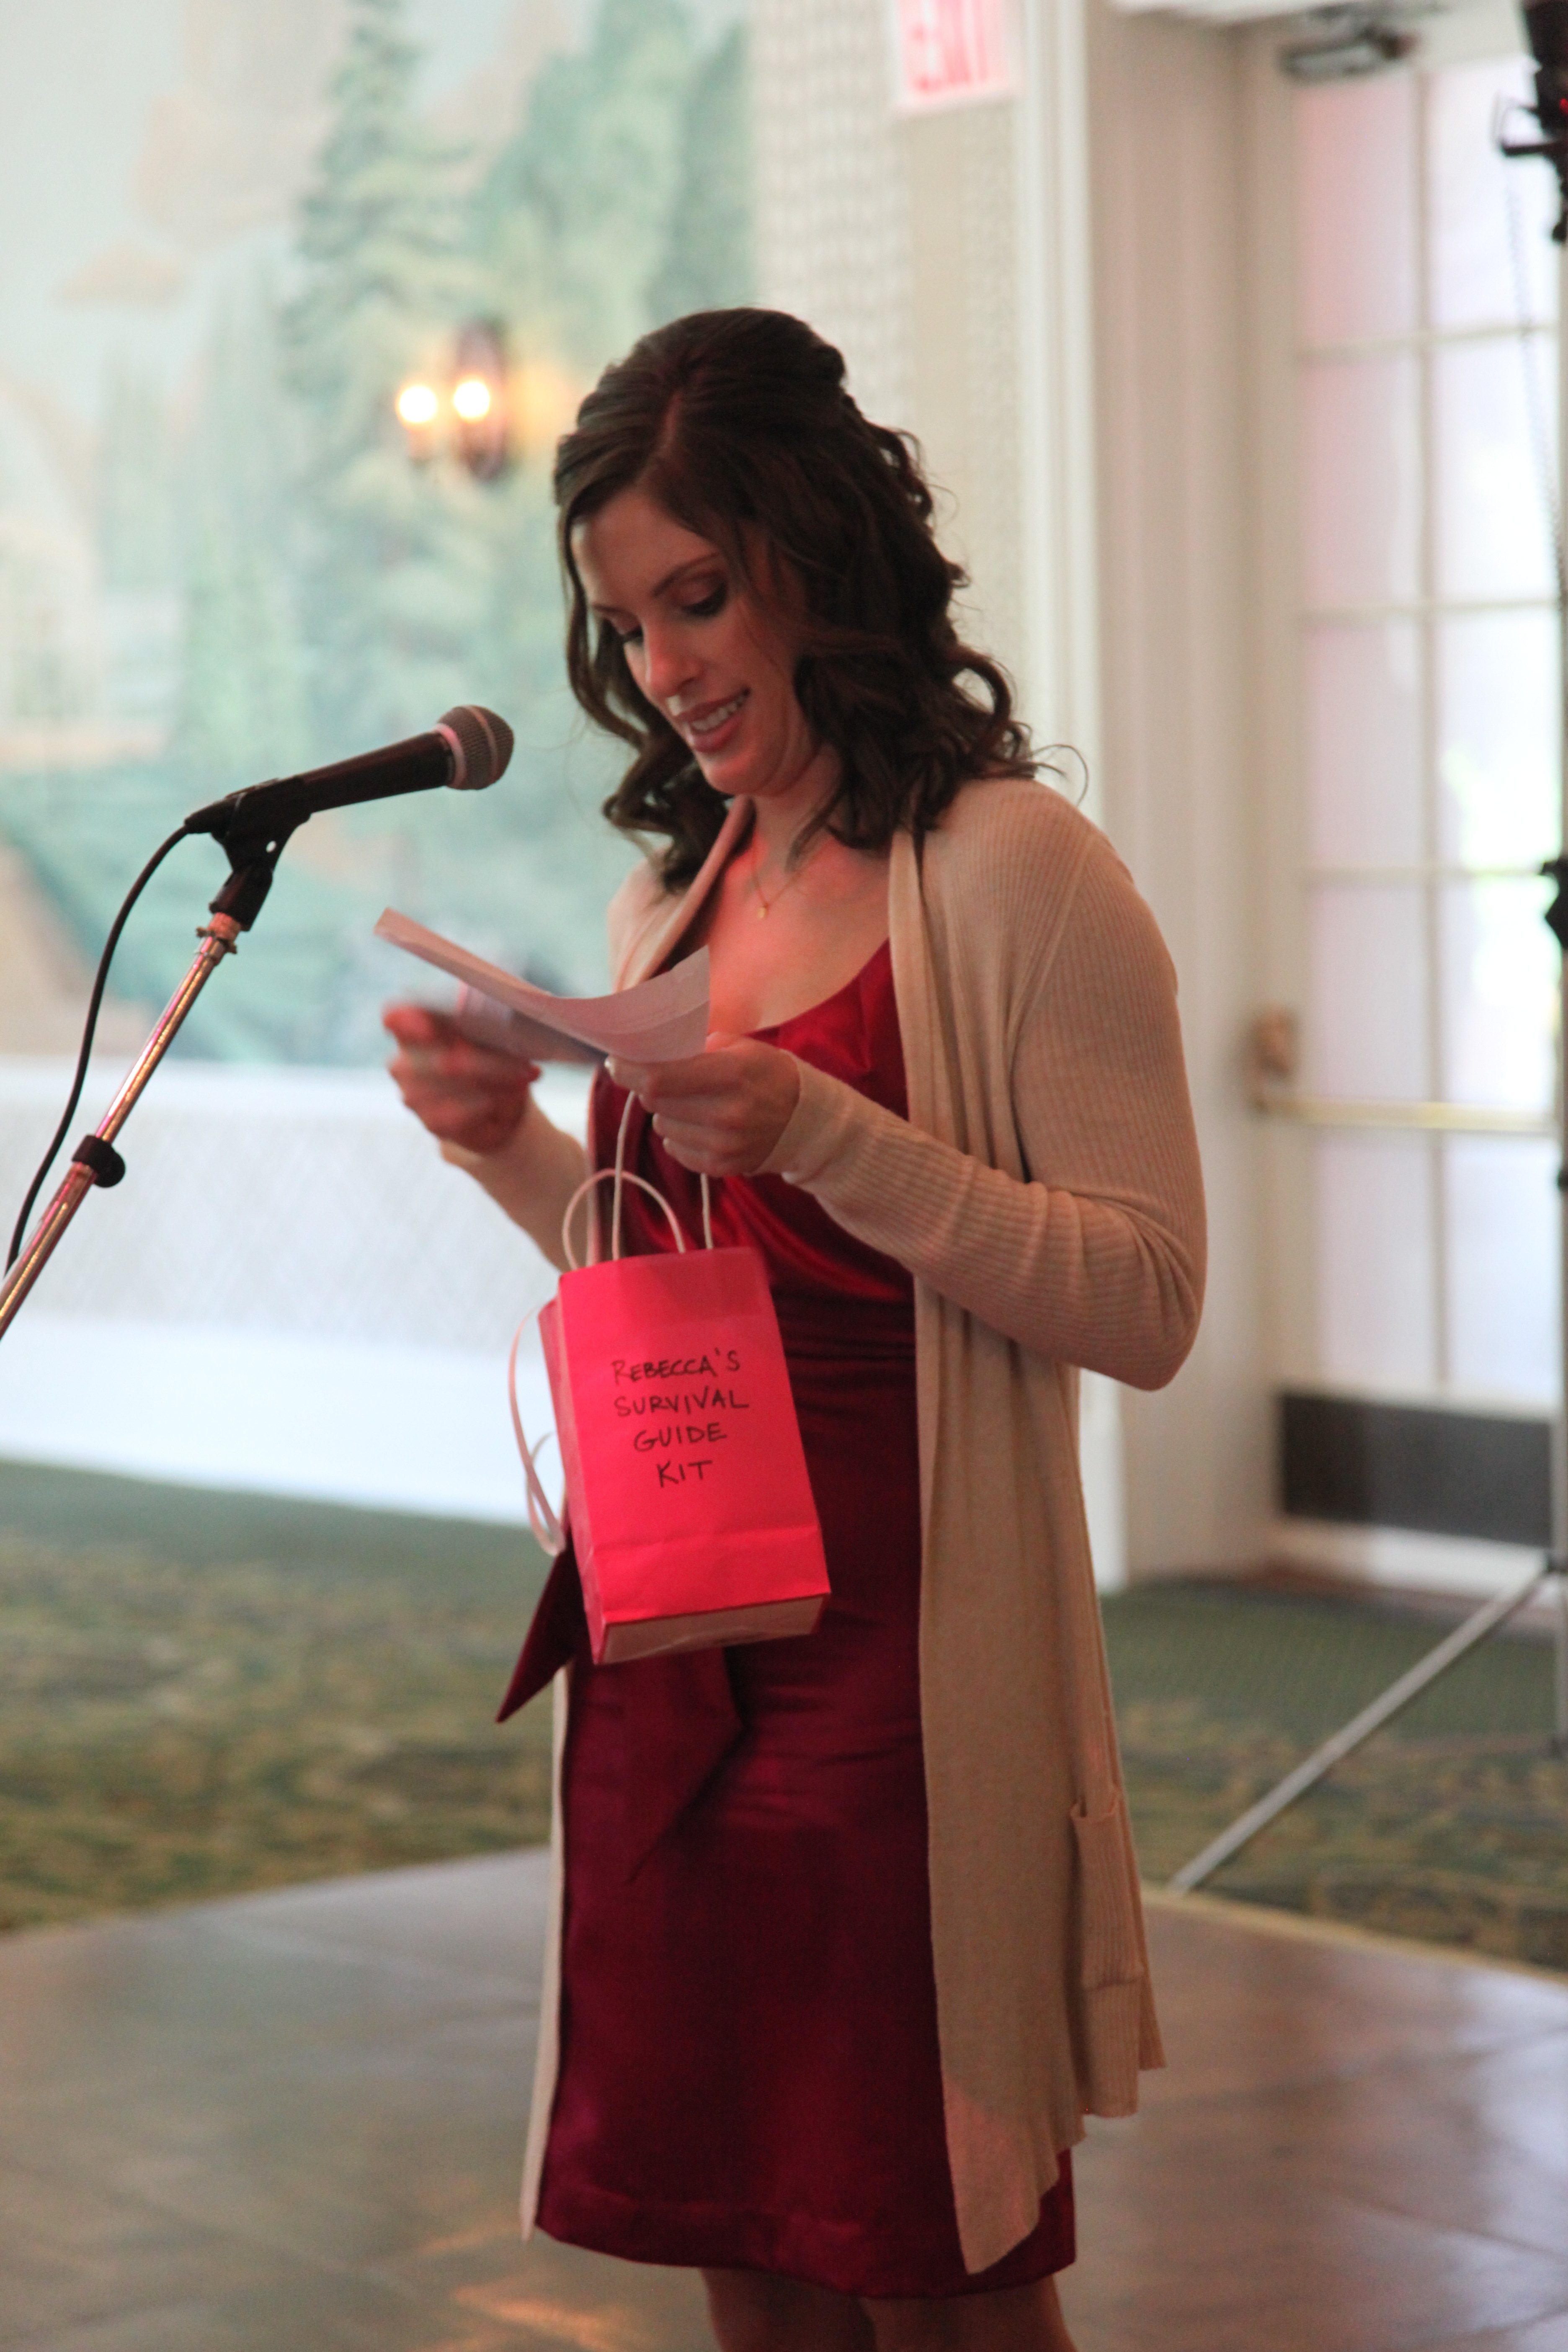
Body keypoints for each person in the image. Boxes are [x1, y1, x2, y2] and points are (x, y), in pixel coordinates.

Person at [385, 307, 1205, 2352]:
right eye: (628, 625)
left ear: (819, 558)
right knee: (744, 2254)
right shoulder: (677, 901)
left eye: (698, 599)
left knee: (929, 2268)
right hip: (677, 1663)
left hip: (902, 1687)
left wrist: (835, 1133)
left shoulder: (1017, 872)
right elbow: (670, 1289)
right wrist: (507, 1148)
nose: (664, 668)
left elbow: (1148, 1300)